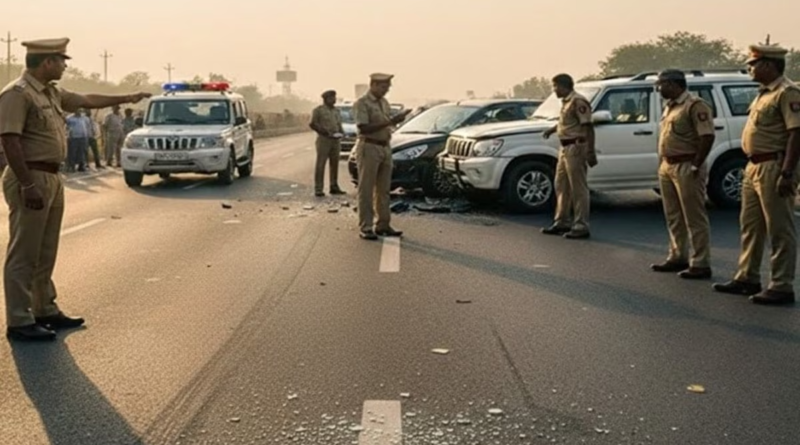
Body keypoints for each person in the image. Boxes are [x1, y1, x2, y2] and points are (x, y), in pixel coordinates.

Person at [0, 37, 150, 341]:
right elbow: (9, 139)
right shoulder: (17, 94)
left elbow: (87, 99)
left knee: (45, 250)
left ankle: (44, 309)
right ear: (47, 62)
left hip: (53, 177)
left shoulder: (52, 93)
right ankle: (19, 320)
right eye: (61, 61)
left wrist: (129, 96)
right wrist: (27, 183)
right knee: (24, 252)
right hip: (31, 176)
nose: (65, 66)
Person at [713, 43, 800, 306]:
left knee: (779, 229)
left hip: (774, 165)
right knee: (750, 226)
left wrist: (787, 172)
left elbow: (796, 133)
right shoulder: (762, 93)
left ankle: (781, 285)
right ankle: (747, 277)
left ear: (769, 65)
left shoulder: (787, 92)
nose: (749, 68)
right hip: (753, 166)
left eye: (754, 64)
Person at [651, 69, 715, 279]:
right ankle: (678, 255)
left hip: (687, 164)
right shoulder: (670, 107)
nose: (658, 89)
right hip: (668, 165)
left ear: (672, 84)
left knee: (693, 215)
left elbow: (706, 136)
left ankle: (700, 262)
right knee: (673, 215)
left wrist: (696, 164)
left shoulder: (694, 105)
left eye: (660, 84)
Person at [352, 73, 411, 240]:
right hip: (369, 146)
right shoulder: (362, 103)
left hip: (384, 147)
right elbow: (363, 128)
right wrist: (391, 121)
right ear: (374, 85)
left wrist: (396, 120)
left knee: (384, 190)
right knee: (366, 189)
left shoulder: (384, 103)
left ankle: (383, 224)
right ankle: (366, 227)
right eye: (384, 87)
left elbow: (386, 123)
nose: (387, 90)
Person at [541, 73, 597, 239]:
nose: (554, 90)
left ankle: (581, 225)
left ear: (564, 86)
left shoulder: (578, 101)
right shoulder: (566, 102)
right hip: (565, 147)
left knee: (578, 188)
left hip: (576, 146)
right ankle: (562, 221)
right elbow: (565, 121)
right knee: (561, 186)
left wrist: (590, 151)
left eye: (556, 86)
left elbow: (588, 127)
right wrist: (552, 130)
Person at [309, 90, 346, 197]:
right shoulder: (318, 110)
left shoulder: (336, 111)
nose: (334, 100)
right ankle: (318, 188)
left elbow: (339, 124)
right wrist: (324, 132)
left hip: (335, 140)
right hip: (324, 140)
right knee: (321, 164)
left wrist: (341, 133)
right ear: (326, 99)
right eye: (331, 98)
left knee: (334, 164)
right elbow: (312, 124)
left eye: (334, 97)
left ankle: (334, 186)